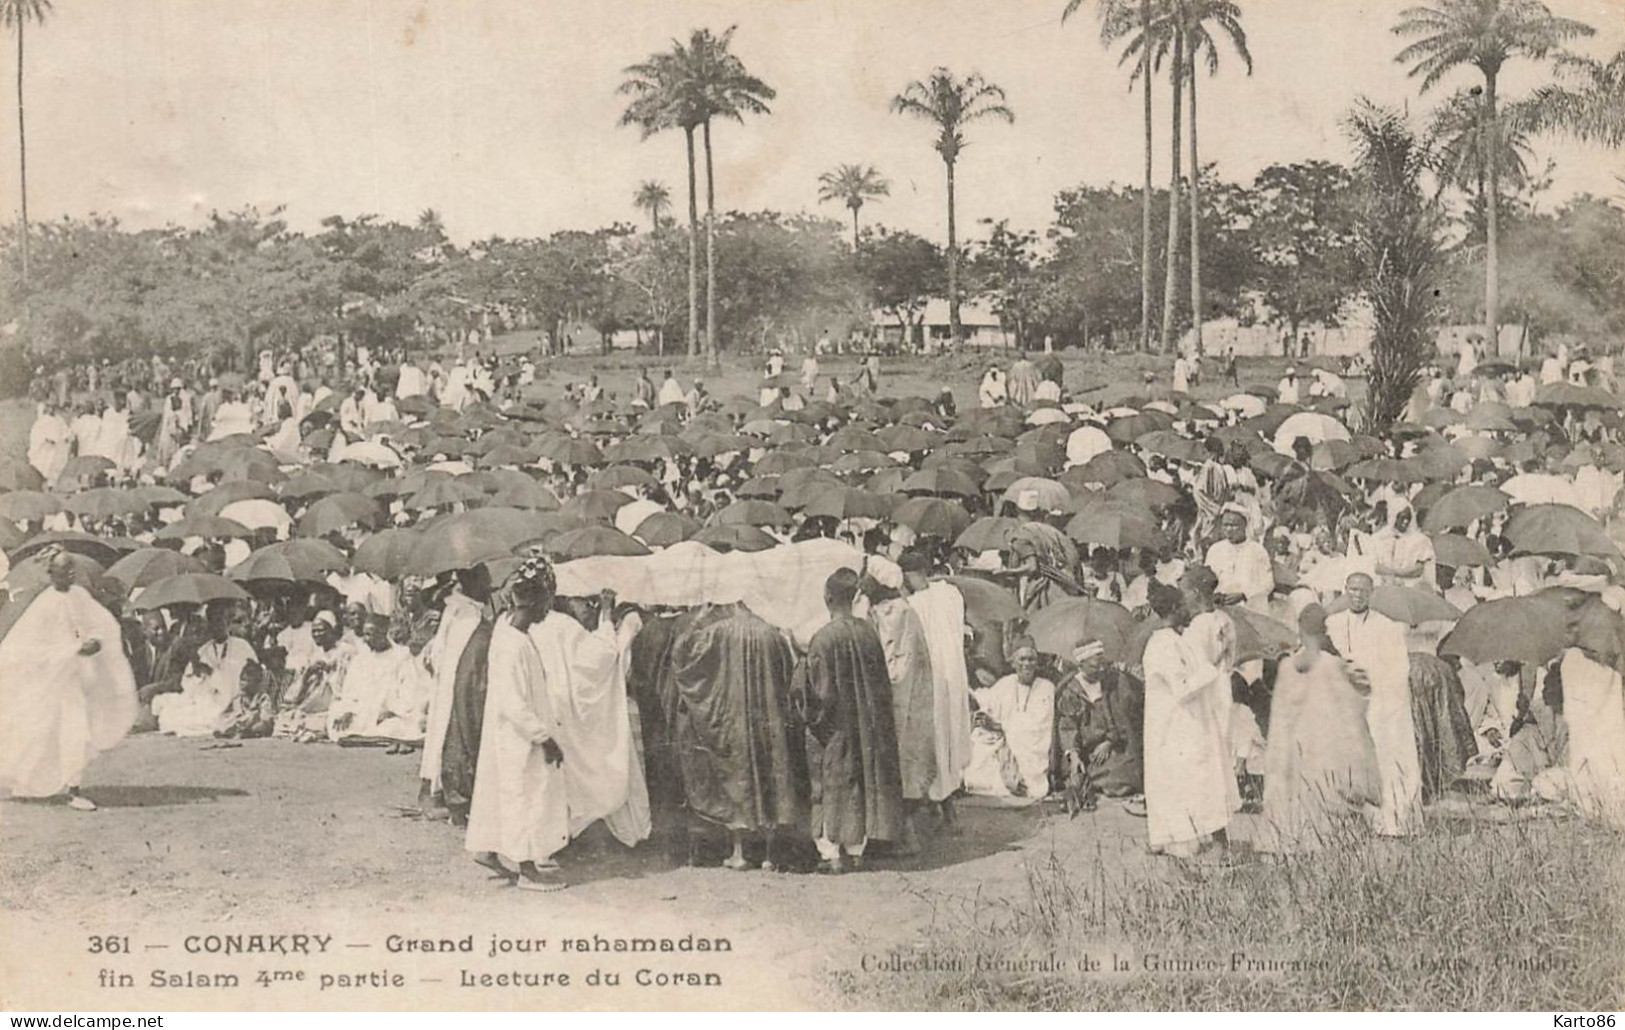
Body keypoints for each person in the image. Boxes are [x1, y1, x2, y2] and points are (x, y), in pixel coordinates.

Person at [669, 602, 810, 870]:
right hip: (769, 720)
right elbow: (789, 671)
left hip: (734, 718)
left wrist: (698, 619)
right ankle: (768, 855)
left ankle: (739, 852)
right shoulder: (771, 633)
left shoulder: (716, 632)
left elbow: (683, 656)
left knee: (737, 777)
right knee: (770, 776)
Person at [0, 550, 137, 810]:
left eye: (72, 568)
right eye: (64, 569)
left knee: (76, 730)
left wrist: (96, 640)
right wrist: (73, 649)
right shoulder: (43, 605)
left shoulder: (80, 596)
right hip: (51, 682)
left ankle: (74, 788)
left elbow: (102, 624)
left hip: (75, 680)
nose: (71, 573)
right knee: (42, 731)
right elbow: (29, 648)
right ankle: (31, 780)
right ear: (52, 573)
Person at [466, 557, 570, 891]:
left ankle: (487, 848)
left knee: (500, 792)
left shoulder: (508, 633)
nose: (546, 613)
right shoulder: (512, 644)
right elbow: (514, 702)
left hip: (509, 733)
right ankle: (527, 869)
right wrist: (543, 737)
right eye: (545, 604)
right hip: (520, 735)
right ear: (537, 602)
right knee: (525, 796)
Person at [793, 568, 905, 873]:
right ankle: (857, 849)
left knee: (831, 782)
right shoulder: (868, 632)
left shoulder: (823, 639)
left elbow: (820, 694)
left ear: (827, 597)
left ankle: (832, 853)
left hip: (835, 727)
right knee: (860, 781)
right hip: (867, 723)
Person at [1256, 604, 1381, 854]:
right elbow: (1351, 718)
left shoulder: (1287, 667)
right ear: (1324, 631)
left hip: (1292, 754)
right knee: (1327, 826)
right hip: (1325, 753)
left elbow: (1280, 719)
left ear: (1299, 630)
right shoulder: (1333, 666)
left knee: (1292, 812)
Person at [1326, 573, 1422, 836]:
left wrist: (1371, 681)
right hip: (1344, 701)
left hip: (1379, 702)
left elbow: (1399, 668)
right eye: (1352, 589)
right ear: (1345, 589)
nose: (1357, 595)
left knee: (1385, 756)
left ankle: (1393, 821)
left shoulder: (1387, 626)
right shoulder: (1333, 623)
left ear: (1372, 593)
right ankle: (1349, 821)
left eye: (1363, 590)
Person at [1141, 583, 1233, 860]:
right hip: (1175, 727)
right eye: (1183, 606)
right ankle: (1182, 843)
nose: (1189, 610)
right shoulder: (1162, 644)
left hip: (1191, 723)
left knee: (1203, 782)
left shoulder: (1177, 639)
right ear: (1172, 610)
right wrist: (1209, 669)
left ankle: (1211, 842)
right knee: (1187, 784)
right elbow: (1183, 687)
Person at [861, 559, 937, 853]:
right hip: (902, 698)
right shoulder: (889, 610)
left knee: (902, 764)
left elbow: (898, 666)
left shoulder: (898, 613)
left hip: (902, 700)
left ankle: (905, 837)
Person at [900, 550, 972, 818]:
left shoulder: (915, 604)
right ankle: (947, 800)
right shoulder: (950, 594)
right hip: (954, 674)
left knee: (936, 737)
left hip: (933, 677)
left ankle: (938, 800)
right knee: (950, 735)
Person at [418, 567, 493, 815]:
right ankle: (448, 794)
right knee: (451, 736)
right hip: (456, 685)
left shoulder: (461, 609)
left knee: (442, 735)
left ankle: (439, 791)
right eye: (484, 581)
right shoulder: (466, 614)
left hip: (449, 684)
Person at [964, 634, 1056, 803]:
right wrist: (985, 720)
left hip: (1030, 751)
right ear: (1013, 662)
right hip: (1004, 743)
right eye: (1022, 659)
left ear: (1037, 662)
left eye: (1031, 659)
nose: (1026, 664)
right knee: (976, 756)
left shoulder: (1046, 687)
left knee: (1031, 784)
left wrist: (1001, 727)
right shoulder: (1006, 683)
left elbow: (1039, 728)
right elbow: (988, 705)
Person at [1055, 641, 1143, 809]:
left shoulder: (1114, 681)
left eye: (1103, 664)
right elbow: (1068, 727)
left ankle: (1094, 780)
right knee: (1078, 771)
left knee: (1128, 777)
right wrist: (1074, 756)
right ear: (1081, 665)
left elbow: (1125, 717)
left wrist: (1108, 743)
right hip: (1085, 749)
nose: (1101, 669)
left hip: (1114, 744)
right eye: (1095, 666)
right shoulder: (1070, 690)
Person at [154, 602, 259, 738]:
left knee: (218, 719)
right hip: (210, 702)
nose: (217, 626)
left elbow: (254, 674)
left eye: (220, 621)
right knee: (169, 715)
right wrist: (200, 674)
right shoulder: (204, 651)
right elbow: (188, 685)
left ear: (227, 622)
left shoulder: (242, 646)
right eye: (213, 622)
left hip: (236, 702)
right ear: (209, 624)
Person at [1205, 508, 1274, 614]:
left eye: (1234, 525)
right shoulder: (1215, 550)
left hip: (1249, 610)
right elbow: (1207, 579)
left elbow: (1268, 584)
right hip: (1221, 609)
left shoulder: (1257, 550)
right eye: (1225, 525)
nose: (1229, 529)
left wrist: (1244, 594)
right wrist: (1214, 594)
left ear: (1244, 526)